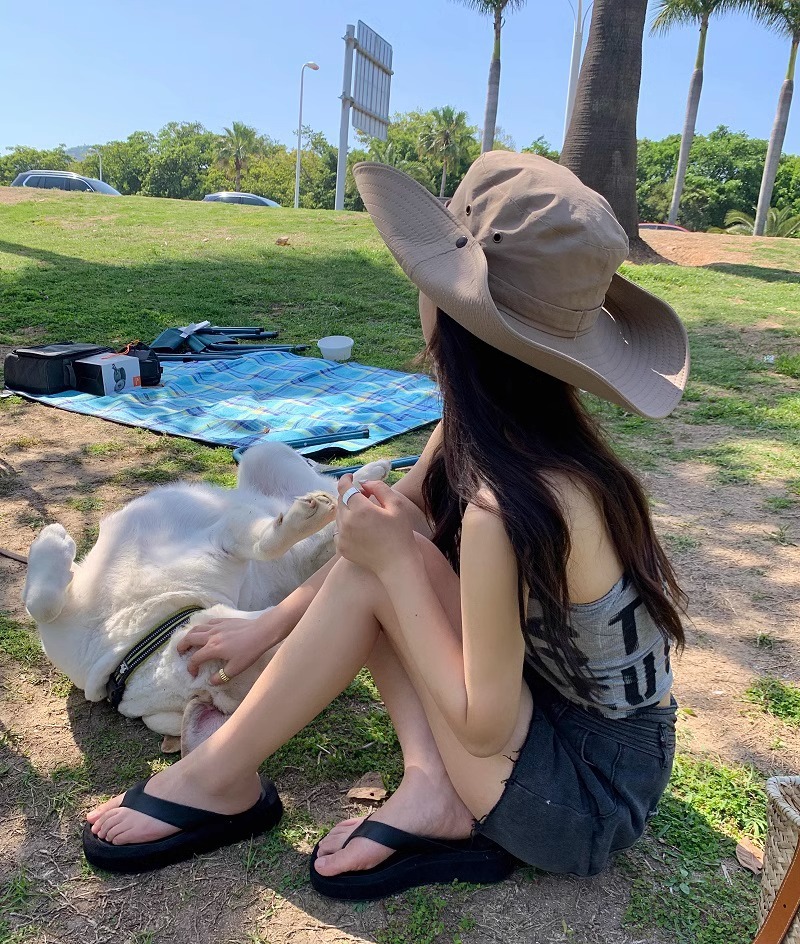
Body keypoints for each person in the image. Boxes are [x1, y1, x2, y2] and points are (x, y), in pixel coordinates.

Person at [84, 152, 690, 896]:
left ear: (450, 313)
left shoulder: (509, 503)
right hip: (578, 725)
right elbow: (388, 529)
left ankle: (216, 780)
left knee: (395, 558)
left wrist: (398, 562)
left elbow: (484, 724)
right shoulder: (497, 434)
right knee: (392, 545)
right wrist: (268, 625)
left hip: (581, 802)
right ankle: (424, 787)